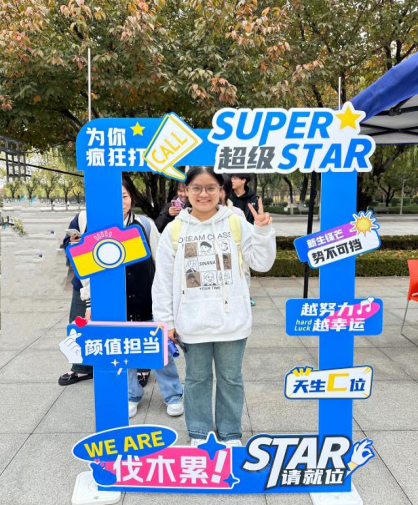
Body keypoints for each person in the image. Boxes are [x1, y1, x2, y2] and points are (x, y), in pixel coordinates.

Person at [152, 167, 276, 446]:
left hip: (232, 322)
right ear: (186, 191)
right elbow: (162, 281)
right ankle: (200, 433)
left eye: (210, 188)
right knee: (196, 380)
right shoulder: (174, 230)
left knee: (231, 379)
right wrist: (166, 322)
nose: (203, 194)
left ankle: (230, 433)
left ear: (221, 191)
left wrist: (262, 231)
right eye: (196, 188)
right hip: (191, 323)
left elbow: (262, 263)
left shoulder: (235, 222)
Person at [79, 175, 184, 419]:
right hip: (115, 305)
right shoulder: (95, 229)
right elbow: (87, 274)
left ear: (131, 198)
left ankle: (173, 395)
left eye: (124, 196)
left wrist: (168, 300)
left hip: (147, 300)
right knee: (122, 351)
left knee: (159, 349)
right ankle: (130, 395)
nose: (120, 202)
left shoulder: (144, 225)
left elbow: (162, 262)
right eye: (113, 197)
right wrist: (91, 303)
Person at [58, 210, 93, 385]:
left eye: (125, 197)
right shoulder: (83, 217)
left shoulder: (129, 218)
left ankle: (136, 367)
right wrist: (73, 242)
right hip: (83, 281)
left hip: (115, 283)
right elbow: (67, 242)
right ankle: (81, 367)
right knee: (78, 323)